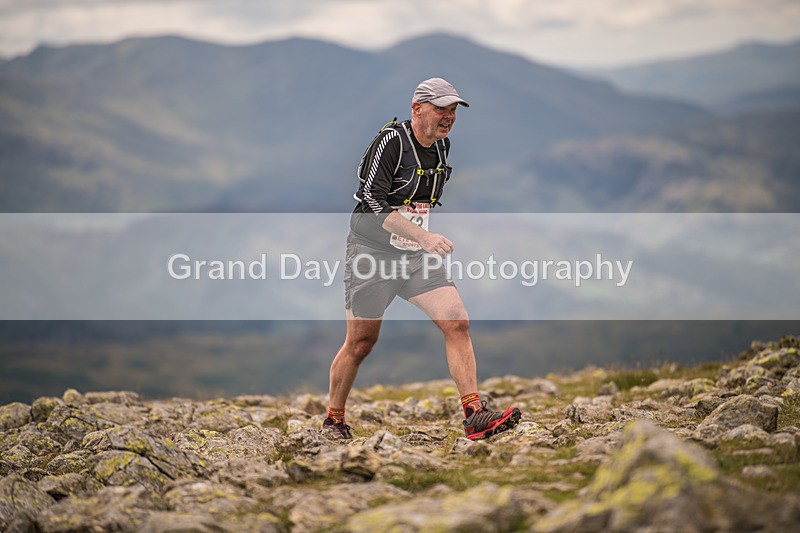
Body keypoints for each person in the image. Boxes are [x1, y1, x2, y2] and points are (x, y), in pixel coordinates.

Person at [323, 78, 521, 440]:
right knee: (361, 343)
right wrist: (424, 237)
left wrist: (418, 239)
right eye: (441, 108)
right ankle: (334, 420)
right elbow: (371, 200)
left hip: (415, 256)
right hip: (372, 254)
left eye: (453, 110)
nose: (449, 117)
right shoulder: (391, 142)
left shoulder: (441, 146)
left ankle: (474, 414)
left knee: (457, 322)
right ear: (417, 109)